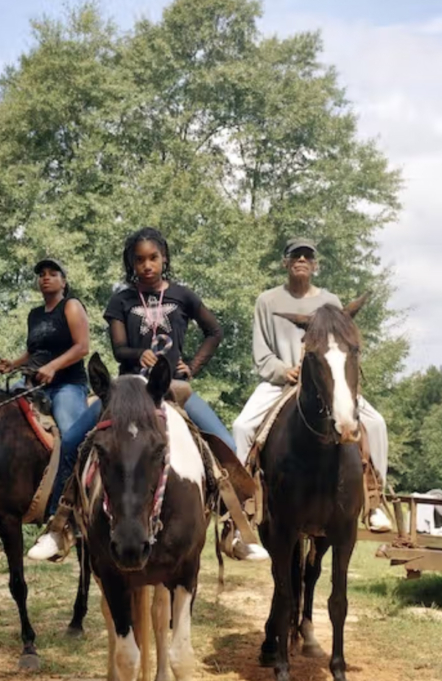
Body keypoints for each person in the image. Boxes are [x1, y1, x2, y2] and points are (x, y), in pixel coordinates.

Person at [28, 226, 266, 561]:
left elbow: (214, 331)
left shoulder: (183, 295)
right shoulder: (121, 300)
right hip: (127, 390)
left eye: (153, 258)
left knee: (224, 442)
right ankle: (60, 525)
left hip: (173, 388)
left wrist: (193, 366)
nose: (147, 265)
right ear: (132, 263)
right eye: (139, 260)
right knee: (71, 442)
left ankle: (235, 527)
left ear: (164, 258)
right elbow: (118, 348)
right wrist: (138, 354)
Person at [231, 238, 392, 532]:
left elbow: (341, 347)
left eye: (307, 256)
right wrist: (283, 371)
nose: (302, 260)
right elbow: (261, 352)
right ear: (285, 262)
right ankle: (243, 505)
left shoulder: (331, 302)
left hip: (327, 384)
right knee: (242, 426)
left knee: (377, 424)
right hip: (281, 383)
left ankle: (374, 500)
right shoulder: (267, 301)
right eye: (295, 256)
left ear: (315, 265)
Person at [0, 257, 89, 435]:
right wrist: (13, 364)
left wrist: (52, 367)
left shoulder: (71, 305)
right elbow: (33, 351)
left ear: (63, 282)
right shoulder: (34, 314)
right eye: (42, 275)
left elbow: (82, 347)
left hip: (67, 385)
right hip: (32, 384)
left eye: (53, 274)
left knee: (70, 433)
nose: (46, 277)